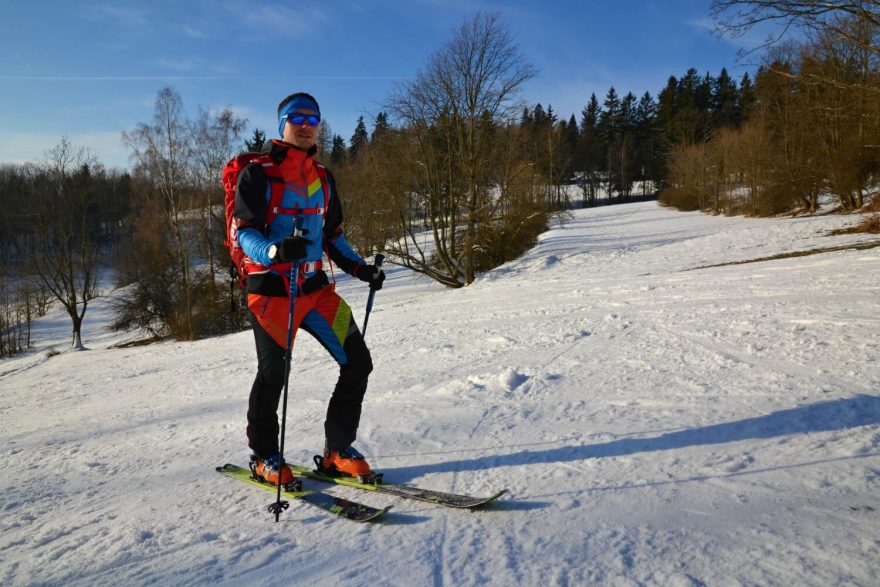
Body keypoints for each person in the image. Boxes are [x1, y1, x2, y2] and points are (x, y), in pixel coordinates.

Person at [234, 92, 385, 485]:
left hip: (316, 292)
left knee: (357, 362)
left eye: (313, 119)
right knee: (273, 375)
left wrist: (360, 268)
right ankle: (265, 456)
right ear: (281, 123)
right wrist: (273, 249)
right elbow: (245, 230)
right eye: (296, 117)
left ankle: (337, 450)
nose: (305, 125)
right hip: (271, 293)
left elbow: (332, 235)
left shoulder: (322, 177)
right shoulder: (259, 174)